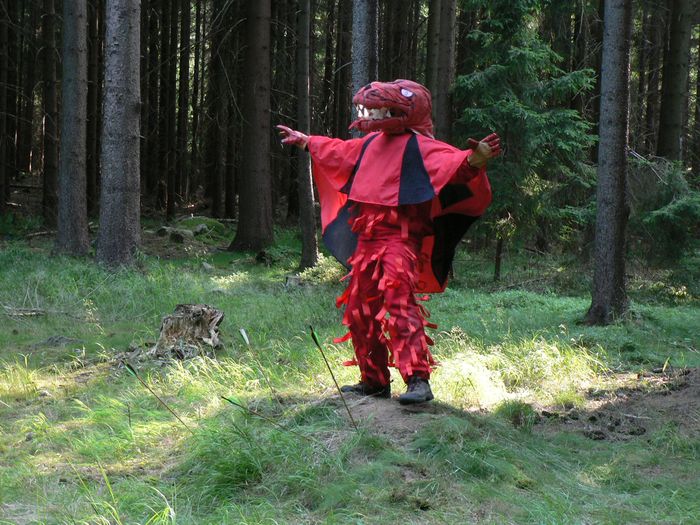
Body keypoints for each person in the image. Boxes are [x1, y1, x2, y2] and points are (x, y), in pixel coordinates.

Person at [278, 79, 500, 404]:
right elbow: (339, 151)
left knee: (398, 302)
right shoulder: (370, 143)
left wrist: (476, 159)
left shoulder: (423, 147)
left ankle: (418, 379)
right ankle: (373, 381)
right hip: (366, 241)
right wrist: (307, 142)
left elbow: (455, 168)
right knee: (359, 308)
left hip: (400, 239)